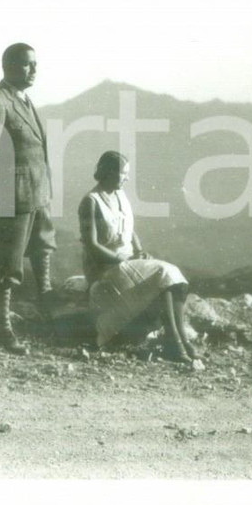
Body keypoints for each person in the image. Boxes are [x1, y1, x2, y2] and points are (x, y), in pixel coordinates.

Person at [0, 43, 57, 354]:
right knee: (6, 267)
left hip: (37, 195)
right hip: (10, 199)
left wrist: (45, 192)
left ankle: (49, 313)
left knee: (43, 249)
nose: (33, 70)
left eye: (35, 64)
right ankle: (3, 329)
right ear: (7, 66)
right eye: (25, 64)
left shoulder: (25, 100)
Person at [78, 151, 198, 363]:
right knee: (162, 273)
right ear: (108, 173)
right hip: (105, 270)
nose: (127, 178)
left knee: (170, 274)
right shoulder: (91, 202)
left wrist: (139, 249)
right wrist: (122, 260)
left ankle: (180, 339)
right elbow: (92, 245)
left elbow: (129, 230)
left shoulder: (120, 196)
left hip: (127, 263)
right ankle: (175, 342)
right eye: (123, 173)